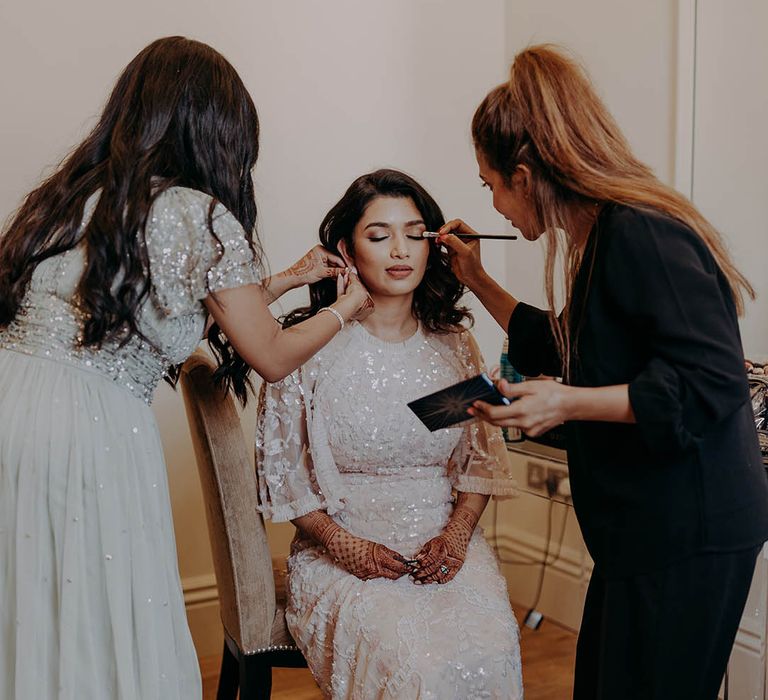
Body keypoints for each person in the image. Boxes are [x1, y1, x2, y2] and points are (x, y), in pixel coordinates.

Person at [0, 37, 372, 700]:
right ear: (216, 131)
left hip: (12, 404)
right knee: (93, 598)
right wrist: (353, 306)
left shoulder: (68, 197)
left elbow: (148, 313)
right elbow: (272, 355)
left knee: (26, 597)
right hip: (89, 428)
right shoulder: (200, 213)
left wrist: (284, 280)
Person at [436, 44, 768, 699]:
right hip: (644, 530)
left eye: (491, 184)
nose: (496, 203)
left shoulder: (640, 232)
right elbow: (575, 347)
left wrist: (565, 405)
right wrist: (476, 280)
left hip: (689, 529)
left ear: (525, 174)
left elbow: (712, 382)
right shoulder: (603, 236)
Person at [256, 169, 523, 699]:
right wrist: (340, 543)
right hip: (343, 552)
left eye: (414, 233)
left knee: (490, 651)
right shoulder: (303, 350)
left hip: (444, 551)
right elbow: (283, 480)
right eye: (379, 236)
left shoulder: (454, 345)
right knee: (414, 668)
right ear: (346, 250)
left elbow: (476, 463)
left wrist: (456, 534)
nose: (400, 250)